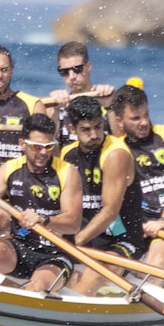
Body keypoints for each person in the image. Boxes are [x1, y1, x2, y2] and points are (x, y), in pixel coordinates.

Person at [0, 113, 82, 293]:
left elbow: (74, 224)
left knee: (37, 287)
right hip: (19, 246)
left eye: (48, 146)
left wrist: (44, 220)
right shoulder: (9, 169)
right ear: (22, 144)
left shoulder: (67, 172)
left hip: (56, 253)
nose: (44, 152)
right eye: (37, 147)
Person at [60, 96, 146, 295]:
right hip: (86, 238)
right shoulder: (67, 154)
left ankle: (69, 315)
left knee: (92, 275)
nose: (94, 135)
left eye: (99, 127)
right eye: (86, 129)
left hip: (121, 239)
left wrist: (75, 241)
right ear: (72, 128)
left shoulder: (115, 155)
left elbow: (109, 212)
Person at [111, 84, 164, 272]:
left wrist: (163, 222)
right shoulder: (116, 147)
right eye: (135, 118)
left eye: (145, 115)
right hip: (136, 225)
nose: (143, 122)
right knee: (108, 265)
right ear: (119, 121)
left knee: (156, 262)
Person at [47, 41, 117, 146]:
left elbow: (122, 141)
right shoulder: (55, 106)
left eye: (77, 69)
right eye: (65, 72)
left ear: (88, 66)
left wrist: (109, 107)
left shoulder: (108, 98)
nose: (72, 76)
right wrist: (55, 112)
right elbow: (48, 146)